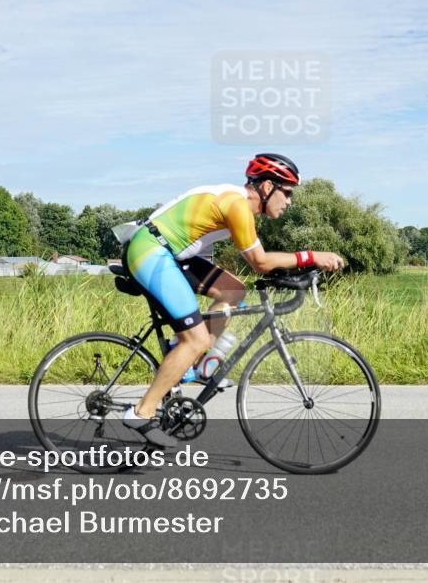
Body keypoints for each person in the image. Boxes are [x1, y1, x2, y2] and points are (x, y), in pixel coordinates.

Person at [121, 153, 346, 446]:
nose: (289, 201)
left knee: (233, 292)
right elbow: (260, 262)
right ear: (267, 188)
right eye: (287, 192)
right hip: (150, 253)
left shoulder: (240, 205)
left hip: (171, 253)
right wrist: (311, 257)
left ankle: (198, 364)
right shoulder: (236, 205)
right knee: (195, 339)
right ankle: (141, 411)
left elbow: (259, 262)